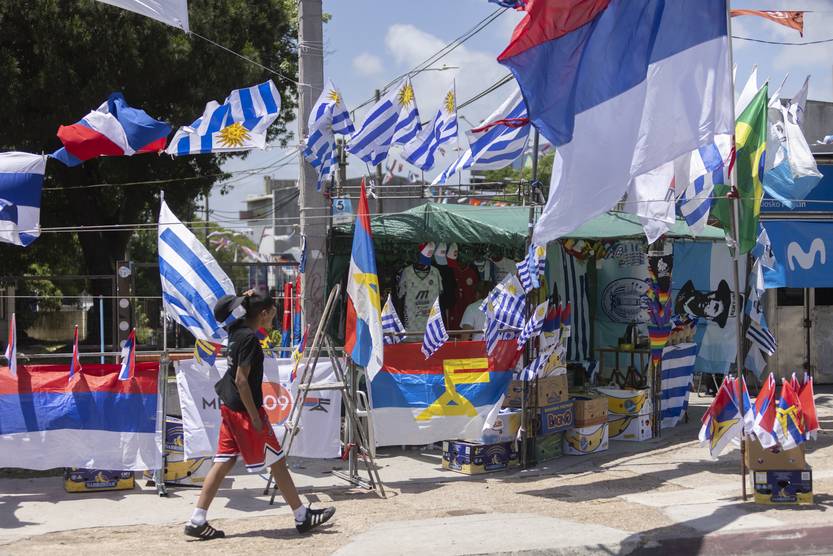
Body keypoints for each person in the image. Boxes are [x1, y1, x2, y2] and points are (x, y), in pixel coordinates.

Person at [184, 292, 335, 540]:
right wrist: (255, 417)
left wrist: (245, 296)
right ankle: (301, 516)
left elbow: (230, 311)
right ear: (262, 314)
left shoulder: (234, 331)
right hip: (245, 410)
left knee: (223, 462)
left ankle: (197, 519)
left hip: (229, 407)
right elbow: (242, 381)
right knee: (277, 461)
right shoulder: (250, 340)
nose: (274, 316)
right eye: (272, 312)